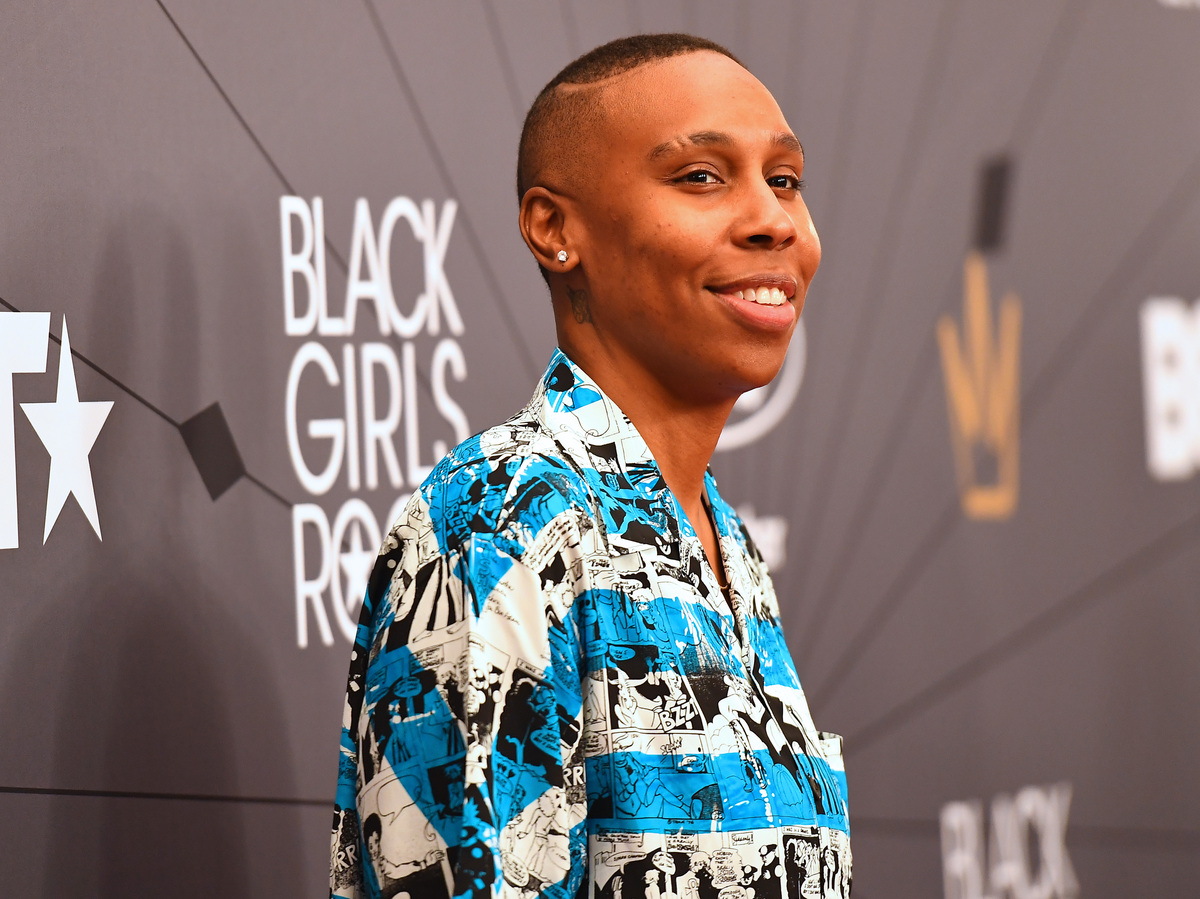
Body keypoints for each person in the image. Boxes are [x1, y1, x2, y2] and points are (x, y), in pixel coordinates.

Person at [331, 33, 852, 899]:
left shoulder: (724, 546)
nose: (774, 219)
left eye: (785, 179)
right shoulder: (503, 519)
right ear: (555, 228)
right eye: (701, 177)